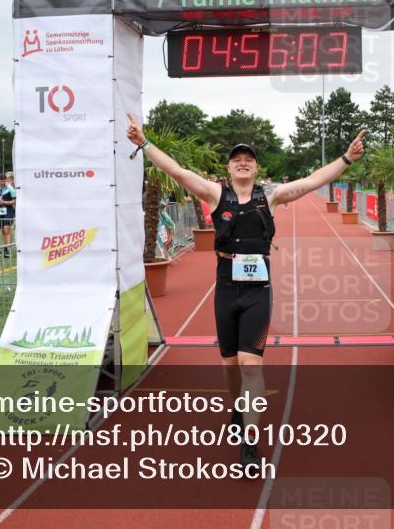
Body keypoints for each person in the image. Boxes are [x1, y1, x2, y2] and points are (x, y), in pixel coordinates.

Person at [125, 112, 366, 470]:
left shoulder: (270, 197)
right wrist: (144, 143)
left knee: (250, 364)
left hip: (257, 292)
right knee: (229, 366)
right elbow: (176, 170)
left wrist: (345, 158)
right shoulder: (213, 193)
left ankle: (250, 444)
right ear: (228, 168)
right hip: (225, 290)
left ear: (256, 168)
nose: (242, 163)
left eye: (248, 159)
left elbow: (314, 180)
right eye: (237, 159)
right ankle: (237, 407)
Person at [0, 173, 17, 256]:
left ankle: (7, 250)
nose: (2, 182)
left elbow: (15, 201)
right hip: (0, 211)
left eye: (4, 181)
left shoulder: (10, 189)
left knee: (7, 230)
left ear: (6, 180)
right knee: (3, 231)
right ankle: (4, 248)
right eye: (1, 181)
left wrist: (5, 202)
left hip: (9, 210)